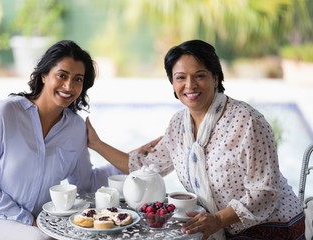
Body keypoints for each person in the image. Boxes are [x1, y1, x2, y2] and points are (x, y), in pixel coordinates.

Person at [86, 39, 305, 240]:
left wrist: (218, 219)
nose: (190, 85)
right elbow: (142, 168)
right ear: (172, 83)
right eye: (180, 77)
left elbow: (264, 192)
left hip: (274, 226)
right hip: (223, 228)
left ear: (215, 77)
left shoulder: (247, 122)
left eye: (200, 75)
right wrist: (96, 144)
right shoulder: (178, 125)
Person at [0, 40, 121, 240]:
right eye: (62, 75)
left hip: (38, 223)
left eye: (78, 79)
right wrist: (29, 220)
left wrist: (135, 160)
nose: (69, 86)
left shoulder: (75, 128)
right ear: (44, 75)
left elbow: (85, 183)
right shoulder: (6, 113)